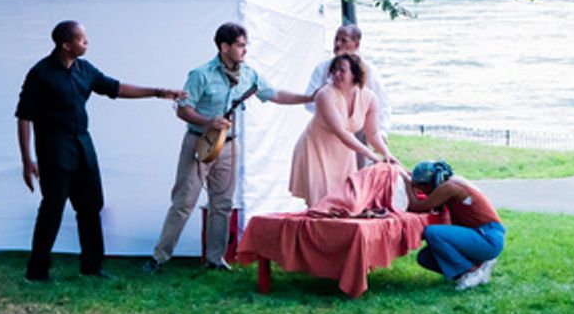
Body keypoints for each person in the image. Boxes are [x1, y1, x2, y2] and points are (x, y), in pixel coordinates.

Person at [16, 21, 185, 283]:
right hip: (53, 151)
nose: (87, 43)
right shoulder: (41, 73)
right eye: (82, 39)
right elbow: (24, 117)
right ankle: (36, 271)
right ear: (66, 44)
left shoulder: (85, 69)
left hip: (83, 147)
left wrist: (159, 92)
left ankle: (92, 267)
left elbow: (115, 88)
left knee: (91, 207)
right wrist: (27, 162)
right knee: (52, 209)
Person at [144, 22, 314, 273]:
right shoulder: (200, 74)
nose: (245, 50)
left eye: (246, 45)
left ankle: (215, 259)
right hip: (199, 142)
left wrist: (308, 97)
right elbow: (182, 110)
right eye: (240, 45)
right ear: (224, 47)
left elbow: (274, 94)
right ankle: (159, 257)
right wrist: (207, 122)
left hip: (230, 145)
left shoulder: (249, 74)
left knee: (222, 203)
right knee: (184, 200)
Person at [289, 52, 397, 207]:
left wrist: (387, 154)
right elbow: (342, 132)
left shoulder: (370, 98)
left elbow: (373, 134)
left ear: (355, 74)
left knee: (345, 203)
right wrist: (371, 156)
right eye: (334, 70)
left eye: (342, 70)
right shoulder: (325, 95)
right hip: (316, 150)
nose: (336, 74)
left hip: (344, 153)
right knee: (320, 204)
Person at [404, 160, 505, 291]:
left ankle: (472, 271)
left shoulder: (449, 187)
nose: (420, 190)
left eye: (421, 186)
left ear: (433, 181)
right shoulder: (453, 183)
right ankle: (476, 268)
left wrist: (408, 185)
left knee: (432, 232)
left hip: (487, 238)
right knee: (425, 257)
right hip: (481, 235)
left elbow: (416, 207)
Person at [304, 24, 391, 168]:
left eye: (344, 40)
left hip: (359, 132)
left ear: (356, 44)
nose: (338, 44)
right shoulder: (322, 69)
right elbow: (309, 101)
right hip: (327, 135)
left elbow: (382, 104)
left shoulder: (369, 71)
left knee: (356, 176)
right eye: (336, 39)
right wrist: (331, 115)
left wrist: (381, 132)